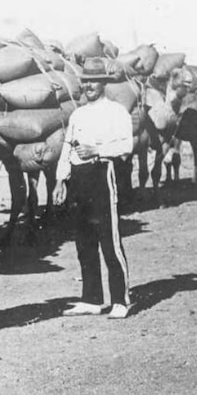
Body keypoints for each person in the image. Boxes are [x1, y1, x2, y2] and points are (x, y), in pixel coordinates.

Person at [52, 57, 134, 319]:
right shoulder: (78, 114)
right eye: (85, 81)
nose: (89, 86)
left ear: (104, 84)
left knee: (109, 238)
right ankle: (92, 298)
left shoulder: (116, 112)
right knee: (83, 240)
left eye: (94, 82)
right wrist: (60, 180)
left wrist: (97, 149)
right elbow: (67, 148)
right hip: (78, 178)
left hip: (103, 173)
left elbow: (126, 145)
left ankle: (120, 299)